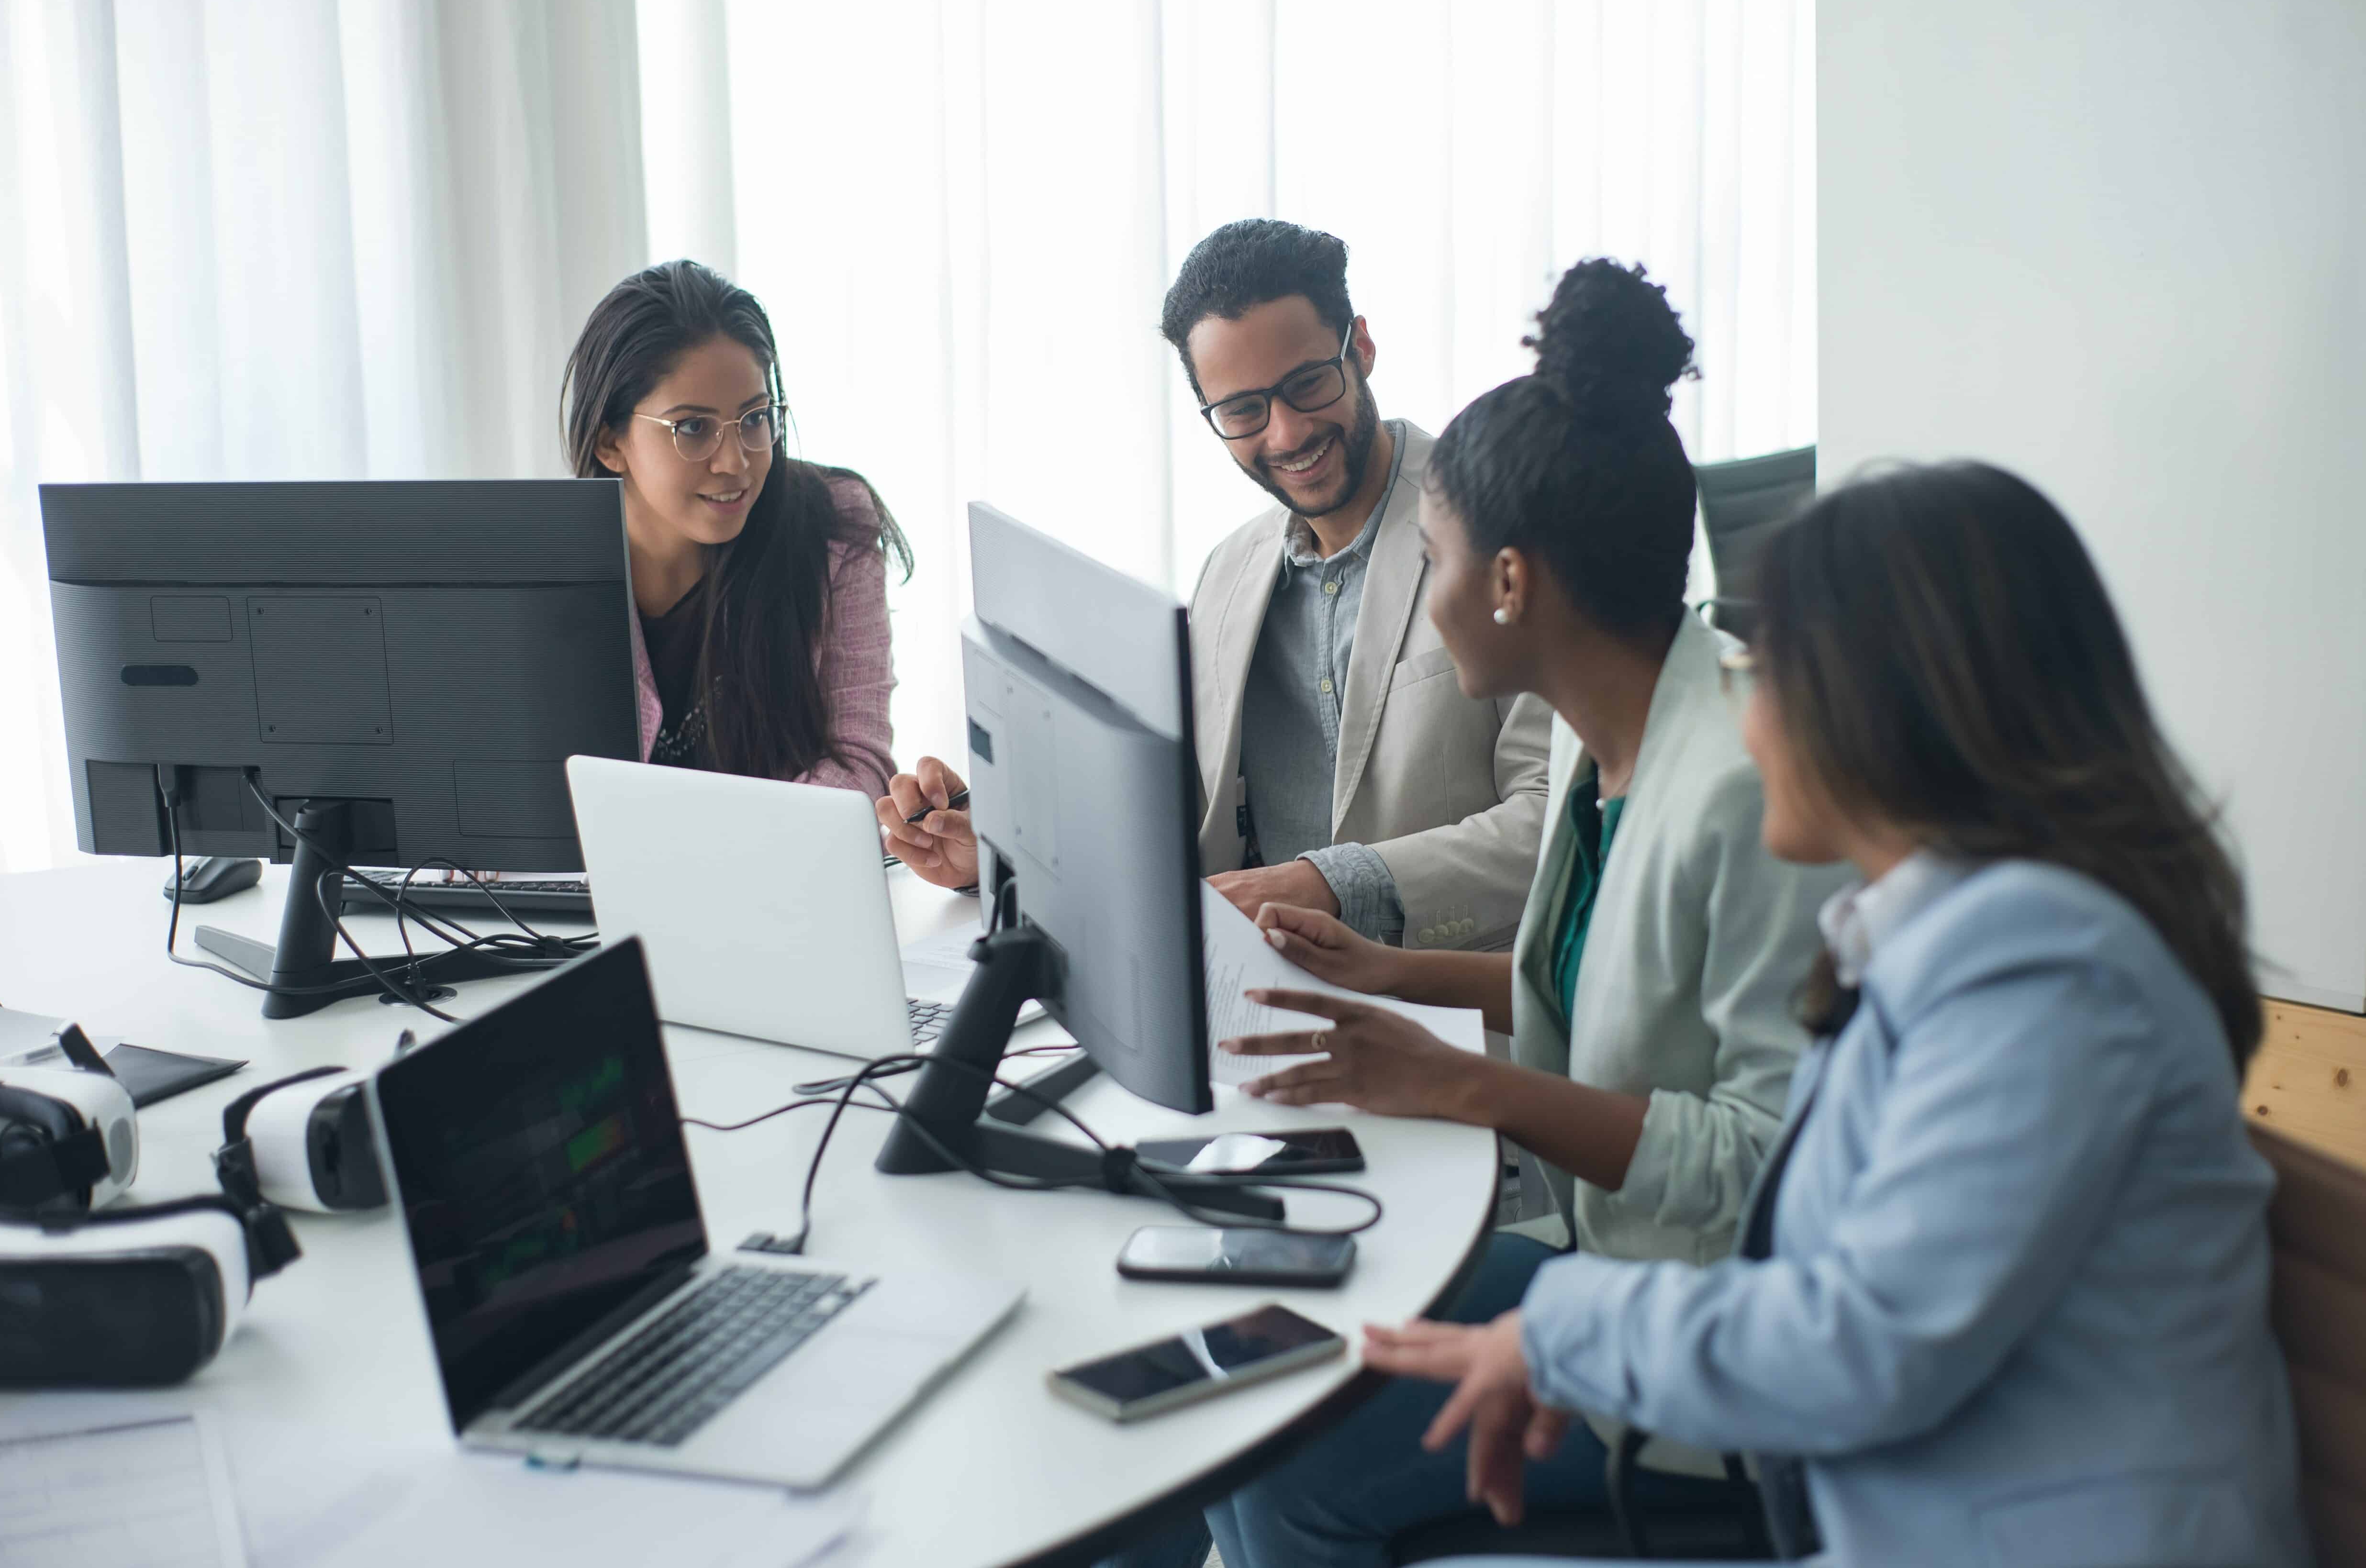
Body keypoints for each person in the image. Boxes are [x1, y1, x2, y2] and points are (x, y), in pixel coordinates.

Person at [1360, 463, 2313, 1567]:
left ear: (1888, 698)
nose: (1743, 717)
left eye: (1763, 671)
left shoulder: (2045, 970)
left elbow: (1864, 1339)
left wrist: (1561, 1333)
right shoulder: (1946, 934)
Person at [1115, 260, 1848, 1568]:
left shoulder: (1742, 788)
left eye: (1438, 557)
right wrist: (1391, 971)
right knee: (1211, 1373)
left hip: (1711, 1327)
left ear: (1509, 582)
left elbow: (1761, 1166)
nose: (1421, 585)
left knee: (1276, 1470)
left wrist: (1467, 1091)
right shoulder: (1617, 730)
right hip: (1600, 1253)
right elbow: (1616, 982)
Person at [881, 220, 1549, 952]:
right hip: (1258, 991)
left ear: (1360, 347)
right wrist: (1001, 850)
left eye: (1307, 385)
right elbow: (1182, 819)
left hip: (1454, 1006)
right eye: (1243, 411)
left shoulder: (1503, 521)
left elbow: (1556, 817)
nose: (1287, 434)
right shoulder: (1229, 574)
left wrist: (1330, 882)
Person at [561, 259, 908, 797]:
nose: (736, 462)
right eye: (693, 428)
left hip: (782, 876)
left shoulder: (833, 529)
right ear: (611, 443)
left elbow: (859, 765)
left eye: (754, 419)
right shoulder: (546, 565)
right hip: (605, 881)